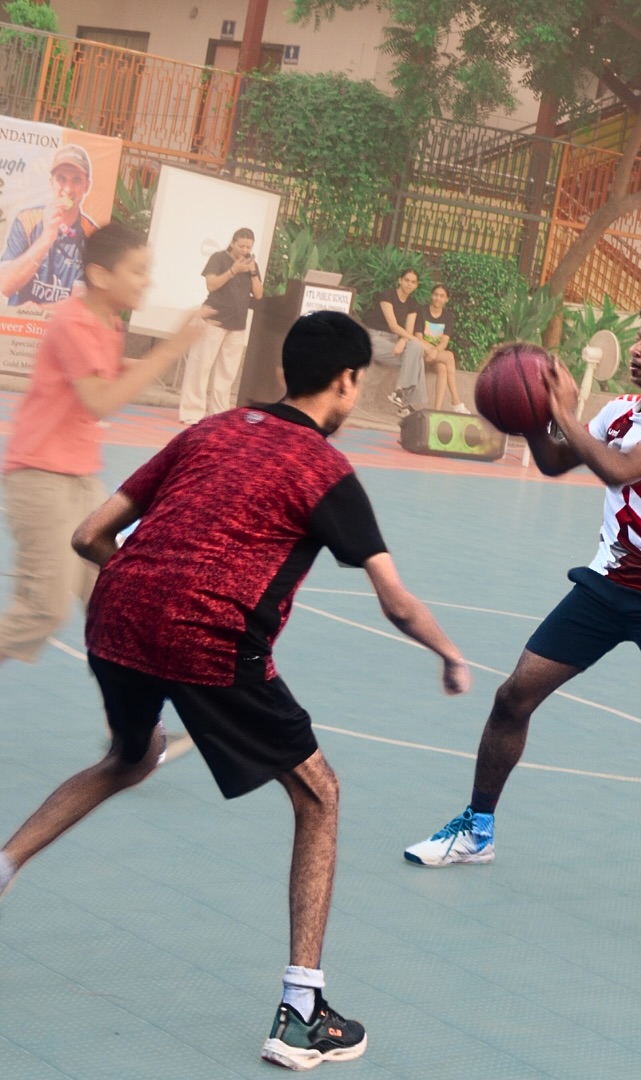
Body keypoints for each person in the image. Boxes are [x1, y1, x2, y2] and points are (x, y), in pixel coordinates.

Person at [0, 310, 472, 1068]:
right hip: (210, 637)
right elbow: (395, 600)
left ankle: (5, 864)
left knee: (128, 759)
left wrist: (148, 587)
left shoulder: (212, 430)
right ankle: (300, 1012)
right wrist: (448, 652)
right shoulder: (325, 469)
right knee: (319, 795)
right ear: (349, 382)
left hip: (116, 613)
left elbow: (90, 536)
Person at [404, 297, 641, 964]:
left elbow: (622, 469)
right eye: (639, 339)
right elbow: (555, 461)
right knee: (513, 696)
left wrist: (568, 410)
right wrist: (538, 412)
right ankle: (477, 830)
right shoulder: (617, 411)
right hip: (605, 587)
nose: (637, 349)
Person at [0, 223, 205, 668]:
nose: (146, 280)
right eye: (138, 270)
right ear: (100, 275)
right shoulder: (73, 321)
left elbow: (112, 371)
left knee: (113, 600)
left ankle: (135, 729)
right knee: (43, 609)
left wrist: (169, 346)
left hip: (80, 480)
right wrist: (170, 352)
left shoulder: (106, 322)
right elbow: (100, 400)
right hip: (40, 479)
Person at [178, 227, 264, 425]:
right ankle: (192, 412)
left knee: (227, 373)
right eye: (241, 245)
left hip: (237, 324)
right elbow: (211, 285)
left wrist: (252, 272)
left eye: (248, 247)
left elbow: (258, 294)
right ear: (233, 243)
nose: (244, 250)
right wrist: (233, 270)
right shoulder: (219, 258)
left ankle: (219, 413)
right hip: (214, 319)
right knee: (200, 367)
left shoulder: (252, 264)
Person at [0, 145, 97, 307]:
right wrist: (46, 238)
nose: (68, 189)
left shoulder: (92, 235)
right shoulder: (26, 220)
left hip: (61, 330)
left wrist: (38, 312)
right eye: (61, 179)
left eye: (76, 180)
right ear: (51, 182)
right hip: (17, 327)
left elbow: (82, 303)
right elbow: (4, 285)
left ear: (87, 186)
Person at [362, 269, 426, 415]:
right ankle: (405, 403)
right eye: (407, 280)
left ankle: (399, 394)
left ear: (417, 285)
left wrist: (404, 340)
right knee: (417, 357)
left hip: (394, 341)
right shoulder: (387, 296)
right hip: (374, 339)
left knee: (415, 353)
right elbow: (393, 325)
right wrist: (409, 339)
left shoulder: (412, 304)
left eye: (413, 282)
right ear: (400, 280)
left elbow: (408, 332)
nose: (409, 284)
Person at [414, 283, 467, 413]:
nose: (438, 298)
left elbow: (444, 341)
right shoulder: (422, 311)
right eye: (436, 295)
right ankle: (456, 400)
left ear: (446, 299)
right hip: (421, 352)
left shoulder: (448, 317)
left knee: (443, 369)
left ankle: (437, 410)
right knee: (449, 356)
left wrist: (435, 351)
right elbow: (418, 338)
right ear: (432, 296)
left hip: (434, 355)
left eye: (442, 296)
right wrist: (432, 350)